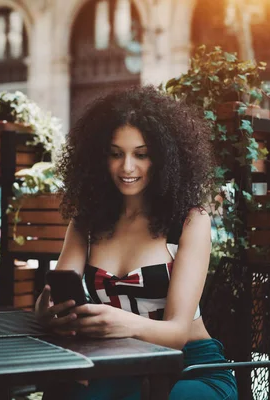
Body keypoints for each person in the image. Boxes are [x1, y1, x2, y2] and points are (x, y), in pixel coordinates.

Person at [35, 85, 238, 400]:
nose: (126, 167)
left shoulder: (189, 222)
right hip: (117, 363)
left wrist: (123, 322)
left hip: (192, 366)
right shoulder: (87, 222)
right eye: (116, 154)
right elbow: (55, 294)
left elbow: (177, 333)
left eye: (141, 154)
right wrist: (47, 312)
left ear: (164, 158)